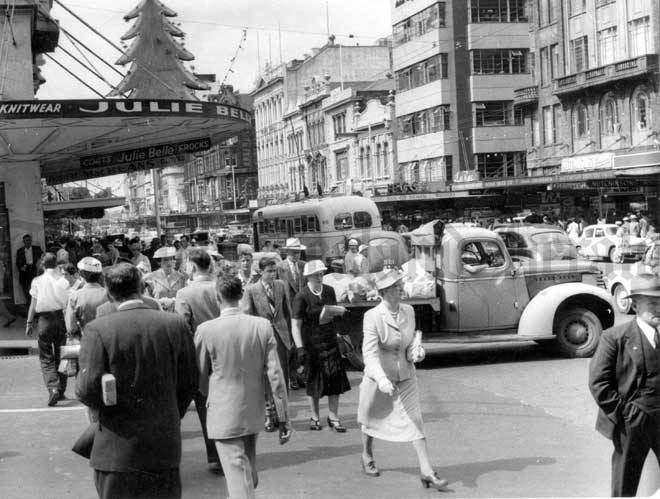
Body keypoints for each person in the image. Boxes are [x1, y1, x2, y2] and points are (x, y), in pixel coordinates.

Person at [76, 263, 198, 499]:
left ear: (108, 293)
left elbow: (86, 388)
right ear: (142, 287)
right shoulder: (175, 325)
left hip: (117, 448)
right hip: (164, 444)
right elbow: (189, 381)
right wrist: (169, 412)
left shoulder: (98, 329)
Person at [195, 274, 290, 499]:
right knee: (245, 466)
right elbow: (275, 375)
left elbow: (199, 376)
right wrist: (283, 416)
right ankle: (248, 481)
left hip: (223, 410)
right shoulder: (262, 326)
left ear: (218, 297)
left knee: (237, 473)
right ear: (241, 295)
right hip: (253, 409)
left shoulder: (206, 330)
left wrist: (211, 394)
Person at [357, 269, 449, 490]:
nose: (402, 288)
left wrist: (418, 352)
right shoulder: (372, 316)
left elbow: (409, 344)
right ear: (386, 292)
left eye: (401, 284)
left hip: (406, 375)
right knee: (370, 417)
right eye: (397, 286)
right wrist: (380, 379)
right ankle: (367, 454)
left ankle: (427, 471)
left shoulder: (408, 310)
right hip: (379, 375)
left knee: (415, 420)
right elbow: (368, 354)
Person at [589, 274, 660, 497]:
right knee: (625, 484)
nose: (659, 308)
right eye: (652, 303)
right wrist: (626, 414)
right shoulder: (615, 337)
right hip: (632, 421)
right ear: (636, 304)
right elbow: (599, 383)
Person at [173, 248, 223, 475]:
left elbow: (181, 327)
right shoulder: (220, 287)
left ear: (192, 267)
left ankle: (214, 457)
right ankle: (227, 454)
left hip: (198, 357)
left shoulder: (184, 293)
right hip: (225, 352)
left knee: (204, 407)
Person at [291, 260, 350, 431]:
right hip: (311, 344)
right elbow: (296, 324)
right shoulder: (301, 296)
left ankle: (333, 416)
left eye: (321, 273)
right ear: (308, 276)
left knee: (334, 379)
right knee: (313, 381)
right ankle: (314, 416)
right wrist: (300, 347)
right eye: (316, 274)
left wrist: (339, 315)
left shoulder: (330, 291)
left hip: (330, 340)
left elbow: (333, 310)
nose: (319, 276)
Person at [242, 256, 293, 431]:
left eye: (274, 271)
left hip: (280, 335)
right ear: (261, 272)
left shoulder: (280, 285)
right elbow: (247, 316)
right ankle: (268, 413)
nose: (272, 275)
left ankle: (282, 415)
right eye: (269, 271)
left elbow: (287, 311)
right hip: (261, 336)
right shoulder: (251, 290)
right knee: (265, 376)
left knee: (281, 375)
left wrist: (291, 337)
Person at [25, 252, 70, 406]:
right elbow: (67, 303)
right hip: (60, 318)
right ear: (55, 264)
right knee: (61, 355)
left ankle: (53, 388)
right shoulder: (63, 280)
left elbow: (33, 304)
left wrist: (29, 322)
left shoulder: (37, 281)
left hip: (44, 320)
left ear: (43, 265)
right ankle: (61, 390)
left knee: (46, 357)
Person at [65, 257, 107, 339]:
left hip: (87, 339)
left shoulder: (75, 296)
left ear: (81, 273)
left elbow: (71, 327)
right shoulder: (110, 295)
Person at [144, 246, 187, 312]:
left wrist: (173, 301)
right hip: (160, 313)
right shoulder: (152, 277)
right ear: (159, 262)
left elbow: (185, 297)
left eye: (171, 259)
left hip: (177, 313)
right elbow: (148, 300)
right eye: (165, 260)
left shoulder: (181, 277)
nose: (169, 262)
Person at [16, 233, 43, 309]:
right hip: (25, 272)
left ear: (31, 241)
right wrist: (21, 267)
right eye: (26, 240)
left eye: (29, 240)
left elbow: (43, 258)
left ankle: (37, 309)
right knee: (26, 291)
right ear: (23, 241)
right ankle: (30, 309)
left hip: (35, 271)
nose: (28, 242)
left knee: (36, 291)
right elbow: (17, 262)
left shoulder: (37, 249)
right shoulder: (20, 251)